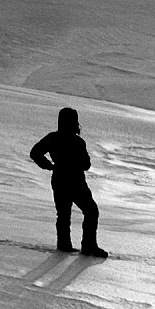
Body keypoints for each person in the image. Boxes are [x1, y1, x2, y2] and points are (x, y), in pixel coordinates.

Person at [30, 107, 108, 258]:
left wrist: (50, 166)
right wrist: (50, 165)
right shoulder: (77, 141)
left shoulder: (54, 138)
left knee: (64, 215)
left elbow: (35, 153)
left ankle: (66, 245)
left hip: (61, 179)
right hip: (75, 181)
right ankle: (87, 246)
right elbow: (86, 164)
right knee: (90, 211)